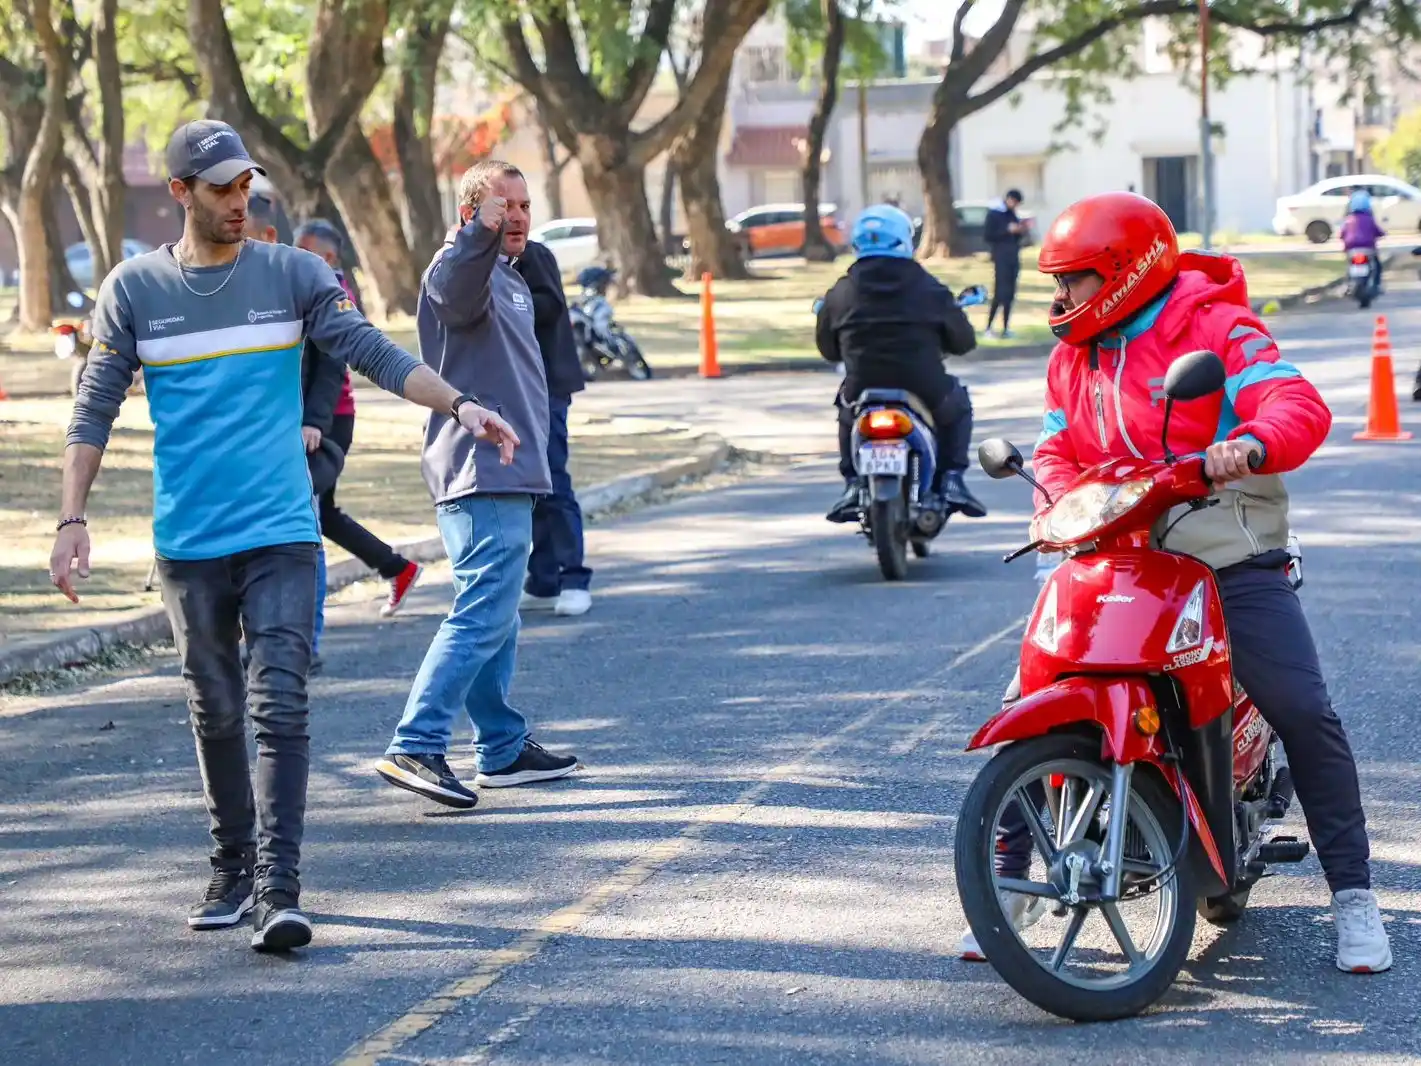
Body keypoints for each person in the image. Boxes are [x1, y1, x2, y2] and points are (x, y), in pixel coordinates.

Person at [50, 119, 520, 953]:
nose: (241, 201)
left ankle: (279, 889)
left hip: (281, 529)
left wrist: (459, 404)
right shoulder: (133, 290)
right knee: (215, 708)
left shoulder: (294, 273)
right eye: (223, 188)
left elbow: (371, 352)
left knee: (280, 703)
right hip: (189, 539)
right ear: (181, 193)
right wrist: (71, 519)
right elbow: (93, 405)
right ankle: (231, 865)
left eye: (246, 186)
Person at [953, 191, 1391, 974]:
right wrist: (1048, 498)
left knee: (1299, 704)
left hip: (1223, 547)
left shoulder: (1216, 326)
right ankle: (1011, 880)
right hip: (1112, 550)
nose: (1059, 297)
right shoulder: (1072, 357)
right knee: (1025, 695)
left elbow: (1293, 401)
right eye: (1055, 280)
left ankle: (1353, 897)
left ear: (1123, 274)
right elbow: (1056, 446)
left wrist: (1250, 441)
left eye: (1074, 279)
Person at [376, 160, 579, 810]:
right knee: (483, 610)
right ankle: (418, 741)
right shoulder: (457, 270)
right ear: (471, 215)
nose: (516, 217)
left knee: (497, 613)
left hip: (511, 469)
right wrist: (475, 236)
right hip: (477, 468)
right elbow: (454, 290)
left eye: (522, 206)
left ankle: (500, 745)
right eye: (501, 207)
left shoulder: (511, 277)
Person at [816, 203, 986, 523]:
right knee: (959, 405)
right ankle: (952, 480)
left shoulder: (840, 292)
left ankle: (853, 483)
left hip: (862, 385)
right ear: (905, 239)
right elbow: (963, 341)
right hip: (924, 384)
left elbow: (827, 349)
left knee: (845, 410)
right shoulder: (928, 287)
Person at [292, 218, 424, 617]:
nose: (293, 254)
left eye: (304, 248)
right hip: (311, 419)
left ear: (328, 256)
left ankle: (304, 625)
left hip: (328, 420)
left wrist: (315, 421)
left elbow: (332, 362)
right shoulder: (303, 285)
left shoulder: (332, 291)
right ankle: (396, 568)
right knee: (322, 512)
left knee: (309, 514)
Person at [243, 190, 346, 676]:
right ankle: (255, 640)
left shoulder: (297, 283)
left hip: (297, 436)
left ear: (265, 235)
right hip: (243, 445)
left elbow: (331, 363)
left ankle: (308, 639)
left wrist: (314, 423)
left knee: (305, 532)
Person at [513, 215, 594, 618]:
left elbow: (547, 306)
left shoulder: (533, 256)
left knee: (554, 482)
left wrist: (504, 292)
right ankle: (542, 577)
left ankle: (574, 577)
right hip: (510, 391)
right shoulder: (479, 261)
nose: (512, 217)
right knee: (532, 486)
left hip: (545, 389)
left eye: (521, 207)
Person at [983, 189, 1027, 338]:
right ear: (1008, 199)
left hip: (1013, 257)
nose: (1014, 205)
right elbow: (988, 235)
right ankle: (988, 327)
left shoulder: (1013, 214)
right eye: (1014, 202)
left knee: (1010, 294)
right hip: (1001, 257)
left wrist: (1020, 230)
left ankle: (1005, 327)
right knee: (1000, 292)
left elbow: (1017, 237)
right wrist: (1006, 230)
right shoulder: (995, 214)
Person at [1340, 193, 1386, 294]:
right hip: (1368, 248)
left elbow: (1342, 234)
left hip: (1351, 249)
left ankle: (1347, 285)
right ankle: (1377, 285)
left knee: (1349, 265)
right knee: (1377, 266)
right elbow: (1378, 231)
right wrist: (1383, 233)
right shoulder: (1369, 219)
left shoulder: (1348, 220)